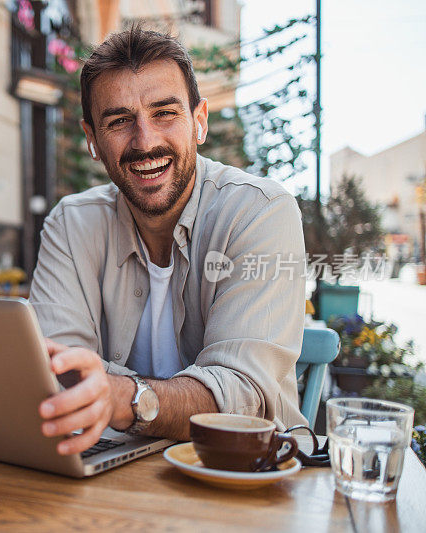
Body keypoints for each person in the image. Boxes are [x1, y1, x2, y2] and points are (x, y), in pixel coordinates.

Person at [29, 26, 308, 456]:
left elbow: (241, 396)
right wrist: (99, 392)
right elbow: (57, 375)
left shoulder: (260, 211)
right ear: (92, 141)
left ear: (199, 121)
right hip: (113, 479)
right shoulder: (71, 225)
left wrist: (123, 397)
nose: (145, 141)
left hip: (246, 478)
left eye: (165, 113)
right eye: (119, 121)